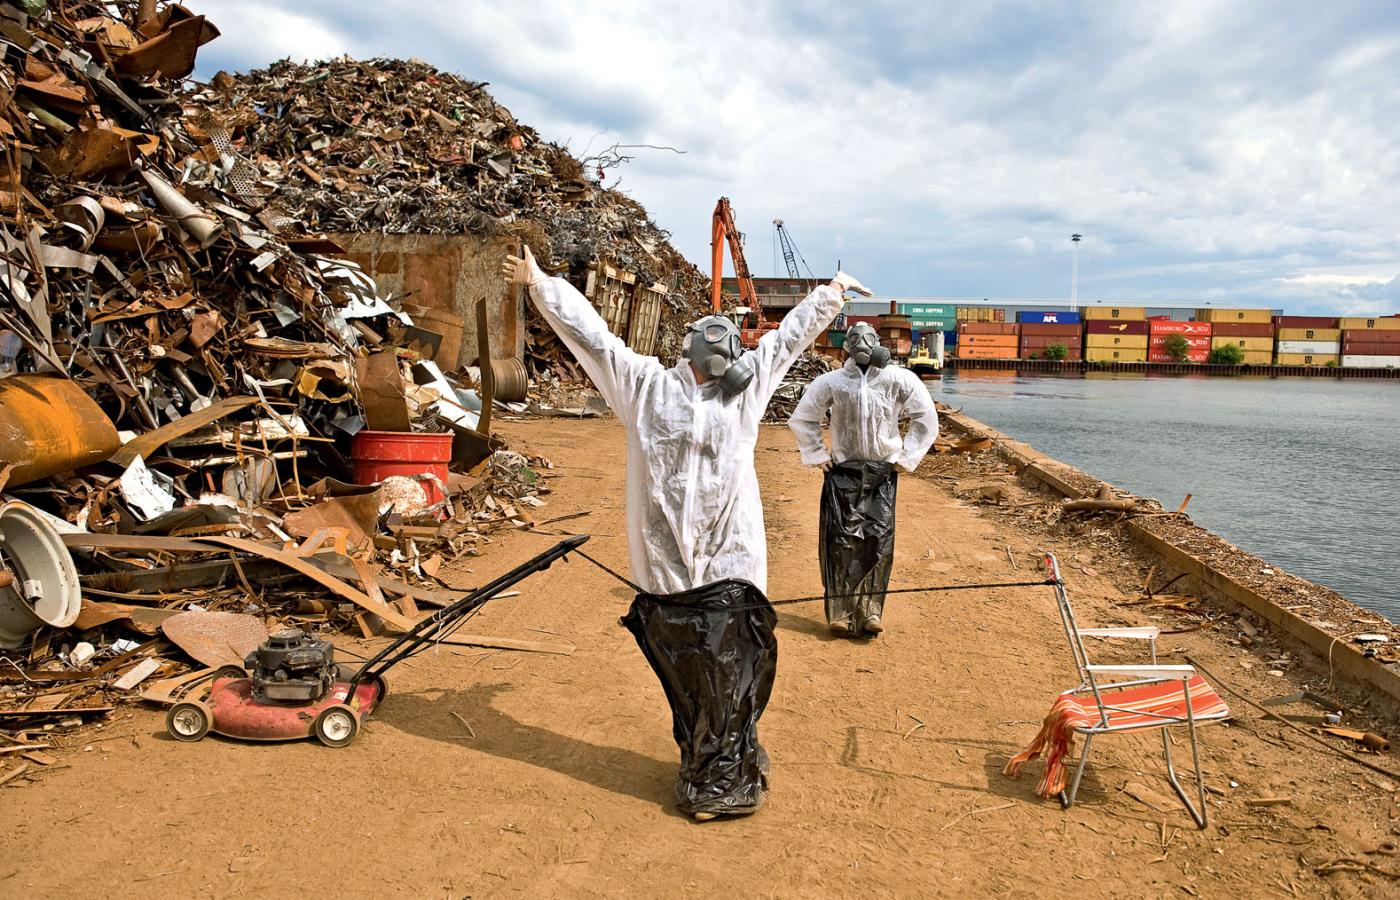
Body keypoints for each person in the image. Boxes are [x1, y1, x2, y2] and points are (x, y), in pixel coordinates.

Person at [502, 245, 871, 820]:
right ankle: (717, 756)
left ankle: (718, 781)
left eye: (735, 345)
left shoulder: (744, 391)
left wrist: (831, 293)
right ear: (693, 349)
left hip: (730, 560)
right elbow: (595, 340)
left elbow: (787, 340)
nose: (732, 352)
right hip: (666, 566)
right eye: (718, 343)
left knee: (731, 668)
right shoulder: (645, 387)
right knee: (693, 677)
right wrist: (540, 284)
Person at [787, 322, 938, 638]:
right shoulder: (833, 382)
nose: (861, 342)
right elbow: (804, 417)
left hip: (882, 472)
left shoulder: (898, 379)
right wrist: (817, 454)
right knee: (841, 542)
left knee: (877, 541)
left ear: (877, 342)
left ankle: (870, 611)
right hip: (845, 471)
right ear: (846, 345)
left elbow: (925, 417)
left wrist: (905, 458)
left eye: (867, 337)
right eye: (854, 337)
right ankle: (841, 612)